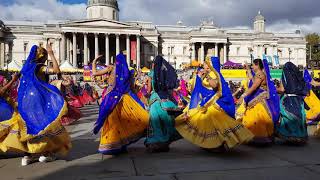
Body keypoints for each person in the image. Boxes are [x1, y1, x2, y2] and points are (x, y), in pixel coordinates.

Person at [9, 44, 71, 166]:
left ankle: (27, 156)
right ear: (42, 57)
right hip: (38, 99)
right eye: (46, 57)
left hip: (24, 101)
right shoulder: (39, 67)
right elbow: (56, 70)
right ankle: (45, 153)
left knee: (28, 125)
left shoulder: (26, 68)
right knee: (44, 124)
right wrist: (52, 54)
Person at [175, 57, 253, 149]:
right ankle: (214, 144)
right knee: (213, 127)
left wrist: (205, 77)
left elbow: (215, 85)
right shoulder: (212, 73)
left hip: (214, 103)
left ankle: (215, 144)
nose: (203, 65)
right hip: (211, 102)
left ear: (209, 65)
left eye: (205, 63)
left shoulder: (213, 74)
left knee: (212, 126)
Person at [92, 54, 149, 155]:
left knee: (111, 121)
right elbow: (132, 88)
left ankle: (111, 144)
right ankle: (122, 144)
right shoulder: (128, 72)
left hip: (111, 98)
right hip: (125, 98)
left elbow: (95, 73)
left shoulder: (111, 68)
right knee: (123, 122)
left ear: (114, 61)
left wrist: (94, 61)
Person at [144, 56, 181, 153]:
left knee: (155, 122)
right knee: (166, 122)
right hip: (166, 100)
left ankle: (157, 142)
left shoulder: (152, 73)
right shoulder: (165, 73)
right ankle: (165, 143)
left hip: (155, 100)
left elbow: (149, 90)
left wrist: (146, 93)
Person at [239, 59, 280, 144]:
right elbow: (252, 80)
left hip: (259, 102)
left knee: (256, 118)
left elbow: (253, 87)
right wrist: (248, 69)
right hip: (257, 100)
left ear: (257, 65)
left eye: (253, 65)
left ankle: (258, 137)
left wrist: (242, 96)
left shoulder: (260, 75)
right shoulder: (258, 74)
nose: (252, 67)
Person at [275, 62, 308, 144]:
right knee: (298, 118)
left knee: (288, 119)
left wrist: (274, 89)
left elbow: (282, 89)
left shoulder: (285, 76)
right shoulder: (298, 77)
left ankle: (290, 137)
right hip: (298, 100)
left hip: (288, 100)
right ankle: (300, 137)